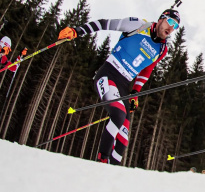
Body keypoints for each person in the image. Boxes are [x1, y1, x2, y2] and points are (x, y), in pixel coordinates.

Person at [58, 9, 181, 165]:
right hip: (108, 74)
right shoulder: (138, 25)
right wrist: (77, 31)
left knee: (123, 139)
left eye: (175, 26)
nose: (171, 28)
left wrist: (135, 93)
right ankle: (101, 162)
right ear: (161, 19)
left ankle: (113, 171)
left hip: (124, 85)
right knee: (118, 114)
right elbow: (105, 24)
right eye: (170, 22)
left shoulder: (162, 49)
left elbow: (146, 70)